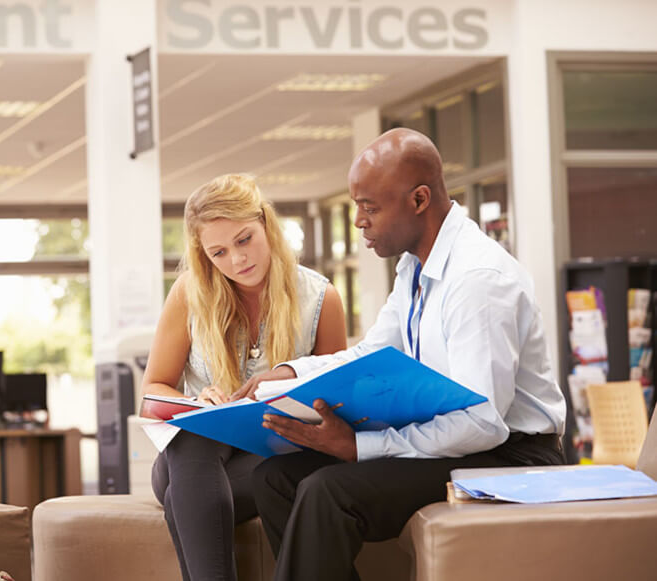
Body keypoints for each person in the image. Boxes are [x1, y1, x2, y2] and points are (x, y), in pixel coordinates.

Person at [243, 128, 567, 581]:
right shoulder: (414, 267)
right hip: (460, 443)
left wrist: (362, 447)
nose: (358, 221)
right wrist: (289, 373)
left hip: (512, 456)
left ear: (418, 200)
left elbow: (484, 421)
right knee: (275, 479)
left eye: (369, 207)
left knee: (326, 491)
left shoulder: (478, 280)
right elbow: (372, 352)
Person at [141, 173, 348, 581]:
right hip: (194, 453)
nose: (237, 260)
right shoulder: (189, 293)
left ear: (266, 225)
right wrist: (199, 404)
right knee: (193, 439)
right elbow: (154, 387)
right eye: (218, 252)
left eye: (244, 240)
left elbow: (338, 400)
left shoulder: (321, 297)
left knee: (180, 495)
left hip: (275, 451)